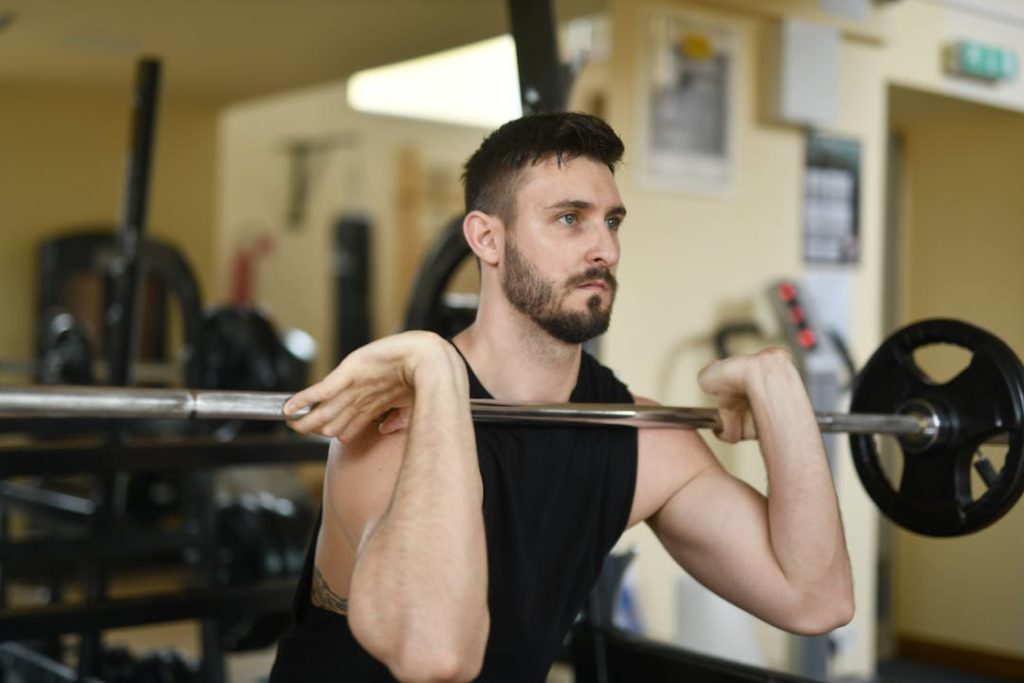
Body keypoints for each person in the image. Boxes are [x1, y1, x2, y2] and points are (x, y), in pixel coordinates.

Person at [268, 112, 853, 683]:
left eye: (613, 222)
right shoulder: (390, 428)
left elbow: (814, 601)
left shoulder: (635, 436)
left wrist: (784, 395)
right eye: (570, 218)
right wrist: (437, 364)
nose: (606, 249)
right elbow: (436, 658)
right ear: (487, 239)